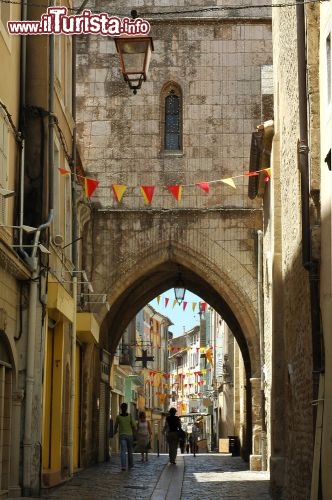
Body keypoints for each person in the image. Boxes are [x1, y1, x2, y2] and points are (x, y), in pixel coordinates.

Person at [114, 402, 136, 471]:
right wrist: (135, 433)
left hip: (122, 436)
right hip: (129, 436)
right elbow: (134, 425)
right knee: (130, 451)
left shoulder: (118, 417)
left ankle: (123, 466)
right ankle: (130, 465)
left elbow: (115, 426)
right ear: (126, 408)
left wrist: (114, 432)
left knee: (123, 451)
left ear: (121, 408)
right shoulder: (129, 416)